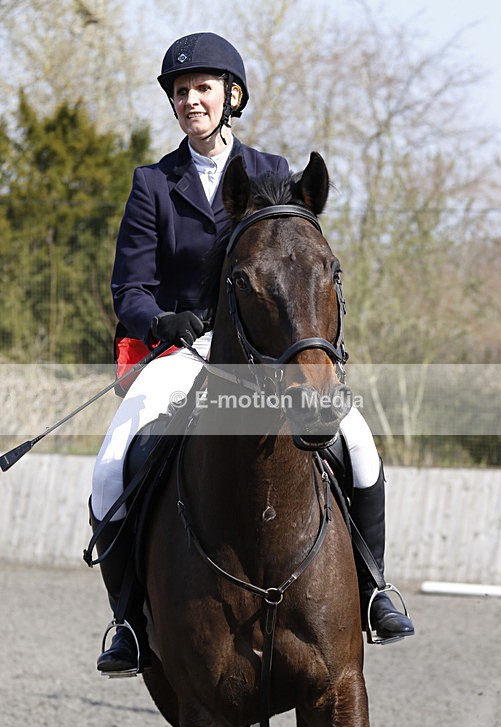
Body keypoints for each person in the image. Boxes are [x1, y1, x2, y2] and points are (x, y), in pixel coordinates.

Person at [90, 31, 414, 675]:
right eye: (180, 92)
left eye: (202, 89)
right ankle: (127, 620)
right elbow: (128, 286)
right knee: (110, 463)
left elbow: (299, 268)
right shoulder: (154, 184)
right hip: (182, 352)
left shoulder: (272, 174)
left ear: (231, 95)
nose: (190, 100)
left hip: (267, 353)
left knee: (359, 444)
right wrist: (162, 319)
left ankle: (375, 589)